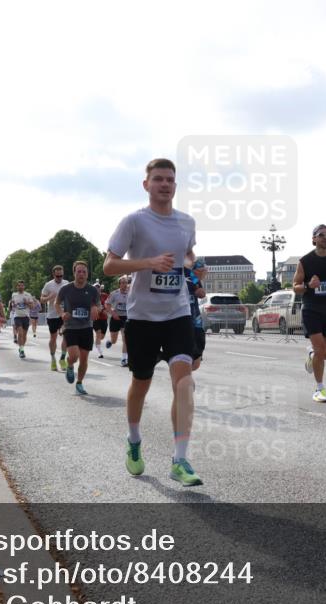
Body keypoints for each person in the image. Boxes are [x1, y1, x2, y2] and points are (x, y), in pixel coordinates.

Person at [104, 158, 202, 487]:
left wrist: (187, 264)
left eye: (170, 180)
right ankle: (133, 440)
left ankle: (180, 459)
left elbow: (188, 254)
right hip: (143, 316)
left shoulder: (186, 222)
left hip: (177, 312)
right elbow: (109, 266)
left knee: (184, 383)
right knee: (141, 385)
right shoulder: (133, 222)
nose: (164, 184)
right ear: (146, 185)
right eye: (158, 179)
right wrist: (149, 263)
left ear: (175, 185)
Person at [294, 225, 326, 403]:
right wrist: (308, 285)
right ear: (314, 239)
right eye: (321, 235)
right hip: (311, 310)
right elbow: (295, 286)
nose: (325, 237)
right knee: (320, 349)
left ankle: (312, 356)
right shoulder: (305, 261)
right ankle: (319, 388)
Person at [55, 261, 100, 395]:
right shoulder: (66, 289)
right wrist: (62, 313)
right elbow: (56, 303)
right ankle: (69, 365)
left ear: (87, 274)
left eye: (84, 272)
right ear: (74, 273)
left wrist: (94, 308)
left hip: (86, 327)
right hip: (71, 327)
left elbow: (98, 304)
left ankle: (79, 383)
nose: (81, 274)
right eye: (78, 271)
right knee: (74, 356)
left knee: (84, 359)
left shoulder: (92, 290)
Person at [40, 266, 68, 371]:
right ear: (53, 275)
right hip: (52, 315)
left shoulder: (66, 283)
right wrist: (49, 297)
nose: (60, 277)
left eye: (61, 275)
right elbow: (41, 300)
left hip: (64, 314)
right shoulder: (48, 285)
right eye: (58, 276)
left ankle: (62, 359)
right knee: (53, 338)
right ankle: (53, 359)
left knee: (66, 336)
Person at [186, 258, 208, 370]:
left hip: (196, 320)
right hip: (180, 320)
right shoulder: (179, 274)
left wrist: (199, 292)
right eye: (202, 269)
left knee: (196, 362)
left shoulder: (193, 277)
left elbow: (202, 292)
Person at [8, 280, 37, 358]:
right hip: (17, 316)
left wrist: (26, 302)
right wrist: (13, 304)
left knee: (24, 335)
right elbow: (12, 305)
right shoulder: (14, 295)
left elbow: (32, 306)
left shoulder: (28, 295)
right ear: (17, 287)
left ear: (24, 286)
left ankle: (21, 348)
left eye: (22, 285)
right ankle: (22, 351)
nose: (20, 287)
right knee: (20, 333)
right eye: (19, 285)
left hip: (26, 316)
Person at [92, 281, 110, 358]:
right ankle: (100, 352)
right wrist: (102, 310)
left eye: (98, 287)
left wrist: (108, 310)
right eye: (95, 288)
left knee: (101, 336)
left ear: (100, 289)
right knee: (98, 333)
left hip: (104, 319)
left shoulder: (105, 296)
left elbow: (109, 303)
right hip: (96, 318)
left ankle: (97, 342)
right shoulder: (91, 297)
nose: (97, 289)